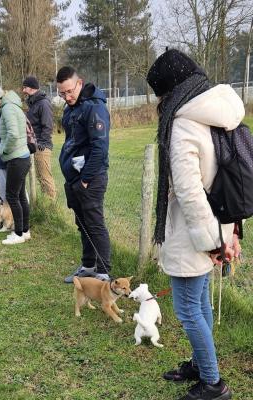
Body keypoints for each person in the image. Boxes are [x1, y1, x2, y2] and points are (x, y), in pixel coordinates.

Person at [146, 49, 244, 400]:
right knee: (199, 301)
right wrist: (226, 234)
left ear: (171, 90)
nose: (160, 103)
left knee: (188, 309)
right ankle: (203, 366)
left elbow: (188, 191)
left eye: (160, 95)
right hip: (216, 222)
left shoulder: (184, 122)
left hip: (195, 230)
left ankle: (213, 384)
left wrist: (211, 242)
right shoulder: (214, 112)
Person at [56, 66, 111, 283]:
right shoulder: (71, 108)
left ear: (79, 83)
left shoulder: (94, 108)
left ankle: (104, 275)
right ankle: (88, 266)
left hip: (91, 178)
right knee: (83, 224)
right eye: (62, 93)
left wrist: (86, 179)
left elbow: (100, 147)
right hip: (74, 178)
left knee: (95, 224)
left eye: (70, 91)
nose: (67, 97)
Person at [0, 83, 31, 245]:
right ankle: (25, 231)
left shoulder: (8, 109)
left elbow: (12, 134)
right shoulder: (10, 105)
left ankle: (18, 234)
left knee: (12, 196)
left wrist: (2, 150)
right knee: (20, 196)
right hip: (21, 157)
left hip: (16, 158)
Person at [22, 76, 56, 199]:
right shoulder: (33, 103)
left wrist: (42, 142)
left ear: (31, 88)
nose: (23, 90)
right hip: (35, 144)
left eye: (25, 87)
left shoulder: (43, 103)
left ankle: (51, 206)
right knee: (40, 177)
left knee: (45, 177)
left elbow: (48, 125)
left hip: (42, 146)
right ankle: (45, 204)